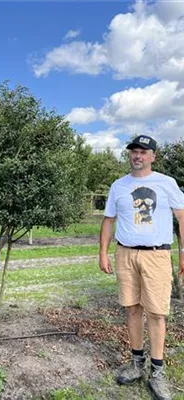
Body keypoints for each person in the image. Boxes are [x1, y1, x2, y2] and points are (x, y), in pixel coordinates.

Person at [99, 134, 184, 400]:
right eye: (134, 151)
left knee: (157, 313)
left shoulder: (167, 183)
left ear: (153, 156)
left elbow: (182, 217)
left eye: (144, 152)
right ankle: (137, 362)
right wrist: (102, 252)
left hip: (156, 256)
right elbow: (108, 220)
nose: (138, 155)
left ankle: (157, 373)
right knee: (132, 309)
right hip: (125, 254)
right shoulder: (118, 186)